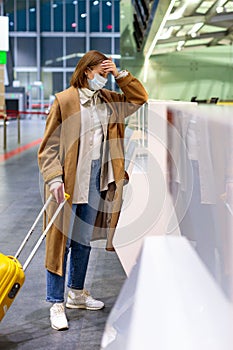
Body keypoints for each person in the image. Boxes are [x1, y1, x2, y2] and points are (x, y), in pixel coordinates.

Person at [38, 50, 148, 331]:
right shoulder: (64, 100)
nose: (104, 78)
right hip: (67, 184)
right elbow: (48, 147)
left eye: (107, 73)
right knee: (60, 243)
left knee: (84, 240)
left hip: (95, 181)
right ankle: (56, 302)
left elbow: (139, 98)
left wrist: (120, 75)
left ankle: (76, 293)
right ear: (86, 71)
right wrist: (53, 178)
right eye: (101, 73)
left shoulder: (109, 101)